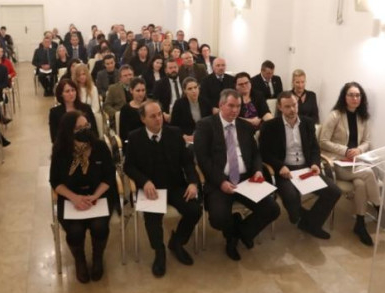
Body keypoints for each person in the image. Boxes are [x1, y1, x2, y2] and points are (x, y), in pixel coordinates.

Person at [194, 89, 280, 261]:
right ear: (221, 105)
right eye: (231, 106)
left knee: (272, 209)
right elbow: (203, 160)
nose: (235, 110)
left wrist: (257, 170)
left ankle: (238, 234)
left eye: (238, 106)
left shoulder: (245, 126)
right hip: (219, 180)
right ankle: (234, 232)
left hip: (246, 179)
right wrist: (221, 182)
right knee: (218, 219)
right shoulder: (205, 125)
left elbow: (255, 154)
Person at [124, 100, 201, 277]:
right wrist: (144, 182)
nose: (158, 119)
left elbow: (187, 162)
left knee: (194, 210)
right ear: (143, 119)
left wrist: (192, 182)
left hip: (174, 185)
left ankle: (177, 242)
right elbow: (129, 166)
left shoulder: (174, 133)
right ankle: (159, 251)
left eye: (159, 114)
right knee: (152, 218)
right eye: (153, 116)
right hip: (151, 189)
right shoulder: (135, 137)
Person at [319, 82, 385, 245]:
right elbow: (323, 141)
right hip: (336, 162)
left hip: (355, 162)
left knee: (360, 184)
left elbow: (366, 141)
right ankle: (379, 209)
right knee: (368, 173)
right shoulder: (335, 115)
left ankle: (360, 225)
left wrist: (359, 150)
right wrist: (345, 150)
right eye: (351, 95)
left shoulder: (362, 118)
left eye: (357, 95)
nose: (355, 98)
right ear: (344, 97)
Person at [259, 92, 341, 239]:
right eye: (287, 106)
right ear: (279, 107)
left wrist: (315, 164)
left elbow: (315, 148)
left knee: (334, 191)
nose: (292, 109)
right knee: (291, 198)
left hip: (306, 168)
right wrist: (279, 166)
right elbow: (264, 153)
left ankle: (311, 224)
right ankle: (299, 216)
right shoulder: (270, 126)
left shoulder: (308, 123)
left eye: (294, 105)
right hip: (285, 170)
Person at [49, 111, 115, 283]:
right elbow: (55, 181)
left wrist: (95, 196)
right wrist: (74, 198)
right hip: (71, 198)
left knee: (99, 226)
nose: (84, 130)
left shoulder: (99, 146)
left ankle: (97, 257)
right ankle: (80, 260)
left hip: (98, 196)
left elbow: (109, 175)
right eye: (78, 128)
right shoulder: (61, 151)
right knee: (75, 230)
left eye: (86, 126)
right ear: (68, 131)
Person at [170, 77, 213, 143]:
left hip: (204, 136)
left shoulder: (205, 102)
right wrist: (183, 135)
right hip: (187, 138)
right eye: (190, 89)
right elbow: (174, 126)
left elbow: (210, 123)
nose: (194, 91)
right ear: (185, 91)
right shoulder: (179, 104)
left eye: (195, 87)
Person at [118, 77, 147, 144]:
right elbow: (124, 134)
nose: (141, 94)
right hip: (133, 142)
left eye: (143, 90)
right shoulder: (125, 109)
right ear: (131, 90)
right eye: (138, 91)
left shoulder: (149, 106)